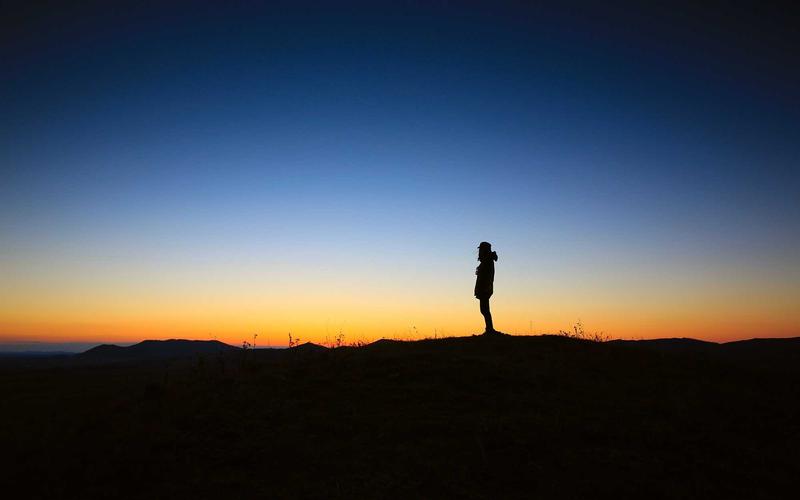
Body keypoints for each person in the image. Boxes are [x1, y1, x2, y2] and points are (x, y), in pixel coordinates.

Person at [474, 241, 498, 335]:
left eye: (481, 249)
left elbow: (487, 276)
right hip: (484, 288)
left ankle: (489, 329)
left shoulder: (487, 261)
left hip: (485, 288)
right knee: (484, 310)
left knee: (484, 310)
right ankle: (489, 329)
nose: (479, 252)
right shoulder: (486, 261)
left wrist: (485, 288)